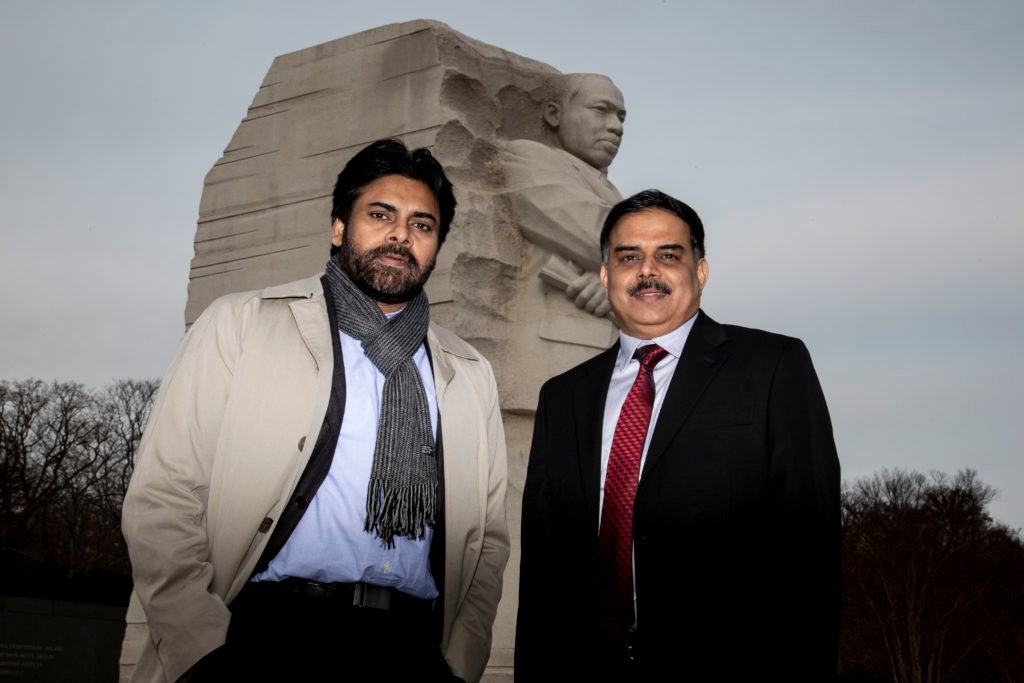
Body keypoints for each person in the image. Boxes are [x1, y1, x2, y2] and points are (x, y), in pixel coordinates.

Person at [119, 139, 510, 683]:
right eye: (381, 215)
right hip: (265, 634)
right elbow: (164, 495)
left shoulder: (469, 371)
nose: (401, 235)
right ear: (339, 228)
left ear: (436, 246)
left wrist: (459, 663)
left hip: (411, 647)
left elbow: (487, 540)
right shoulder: (241, 325)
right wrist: (201, 651)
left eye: (421, 225)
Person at [515, 189, 841, 681]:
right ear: (605, 276)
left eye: (668, 256)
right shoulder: (562, 397)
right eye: (629, 257)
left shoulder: (773, 367)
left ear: (700, 272)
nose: (647, 271)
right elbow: (543, 569)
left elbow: (811, 551)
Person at [500, 72, 627, 320]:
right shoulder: (528, 156)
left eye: (621, 118)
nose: (617, 127)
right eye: (601, 110)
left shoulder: (611, 191)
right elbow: (600, 237)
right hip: (559, 330)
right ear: (554, 114)